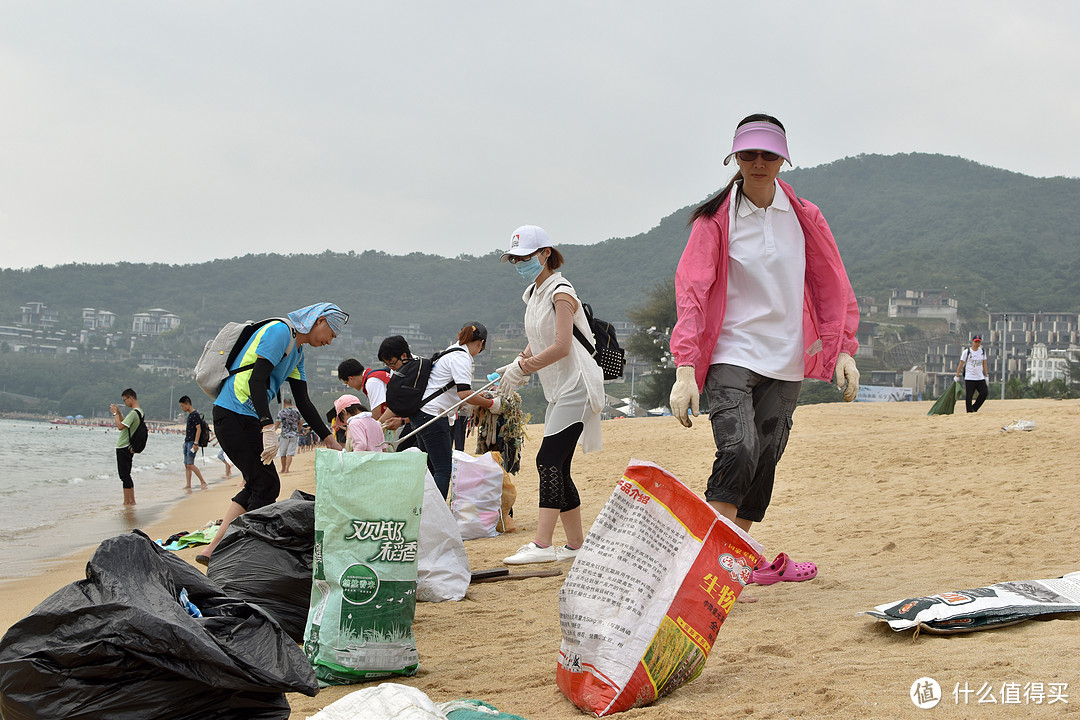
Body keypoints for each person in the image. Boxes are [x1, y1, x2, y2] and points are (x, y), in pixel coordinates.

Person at [668, 114, 860, 585]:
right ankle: (710, 563)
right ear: (735, 157)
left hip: (788, 356)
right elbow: (692, 292)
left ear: (782, 159)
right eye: (748, 154)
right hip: (732, 350)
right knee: (739, 448)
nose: (757, 163)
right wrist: (685, 368)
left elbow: (833, 284)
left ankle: (739, 556)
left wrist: (843, 350)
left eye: (768, 155)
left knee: (768, 453)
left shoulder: (805, 217)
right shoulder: (715, 220)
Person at [196, 303, 346, 565]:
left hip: (248, 418)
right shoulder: (280, 332)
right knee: (267, 484)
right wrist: (268, 427)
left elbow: (303, 402)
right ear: (319, 321)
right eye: (331, 334)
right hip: (233, 413)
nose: (329, 342)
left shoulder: (298, 352)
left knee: (258, 482)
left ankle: (214, 548)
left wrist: (330, 439)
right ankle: (239, 554)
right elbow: (256, 380)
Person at [497, 226, 605, 565]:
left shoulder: (561, 290)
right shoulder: (534, 293)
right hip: (558, 388)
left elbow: (560, 345)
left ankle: (543, 545)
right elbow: (539, 340)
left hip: (578, 384)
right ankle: (576, 545)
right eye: (515, 259)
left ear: (545, 253)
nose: (520, 263)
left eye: (526, 257)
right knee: (559, 464)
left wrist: (524, 370)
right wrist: (518, 360)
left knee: (547, 460)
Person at [406, 323, 499, 499]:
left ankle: (424, 511)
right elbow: (465, 393)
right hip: (434, 416)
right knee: (442, 470)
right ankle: (436, 516)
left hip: (421, 414)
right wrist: (491, 404)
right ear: (481, 343)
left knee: (431, 468)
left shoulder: (449, 352)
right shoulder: (461, 357)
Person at [376, 335, 418, 451]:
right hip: (415, 421)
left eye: (392, 363)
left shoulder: (419, 371)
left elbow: (427, 409)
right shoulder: (399, 370)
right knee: (402, 451)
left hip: (433, 422)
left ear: (404, 356)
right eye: (387, 364)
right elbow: (396, 405)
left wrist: (402, 421)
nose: (391, 368)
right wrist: (378, 424)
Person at [109, 388, 143, 506]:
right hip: (128, 446)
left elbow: (120, 426)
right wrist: (119, 413)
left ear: (131, 398)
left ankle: (129, 501)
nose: (125, 403)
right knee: (126, 474)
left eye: (125, 400)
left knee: (124, 475)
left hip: (123, 446)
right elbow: (125, 424)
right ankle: (130, 500)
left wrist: (114, 414)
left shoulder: (134, 413)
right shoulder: (139, 412)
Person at [178, 395, 209, 490]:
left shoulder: (195, 414)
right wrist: (186, 441)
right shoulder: (190, 415)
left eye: (182, 406)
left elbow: (198, 429)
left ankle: (203, 482)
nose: (182, 408)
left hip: (192, 442)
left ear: (187, 404)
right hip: (188, 441)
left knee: (190, 464)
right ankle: (188, 484)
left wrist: (195, 443)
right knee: (187, 465)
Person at [955, 334, 989, 413]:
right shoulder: (967, 352)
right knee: (969, 395)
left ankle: (974, 408)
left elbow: (984, 363)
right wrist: (957, 375)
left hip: (979, 377)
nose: (977, 343)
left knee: (984, 392)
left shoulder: (982, 351)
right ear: (973, 342)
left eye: (978, 342)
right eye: (975, 342)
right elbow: (961, 363)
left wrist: (986, 375)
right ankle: (969, 411)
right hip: (970, 377)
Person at [274, 397, 302, 473]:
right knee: (290, 453)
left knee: (283, 453)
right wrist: (297, 430)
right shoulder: (296, 412)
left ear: (284, 404)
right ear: (291, 403)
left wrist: (272, 433)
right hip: (294, 435)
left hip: (284, 435)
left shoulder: (282, 412)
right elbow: (301, 423)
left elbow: (277, 424)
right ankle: (287, 469)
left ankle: (283, 469)